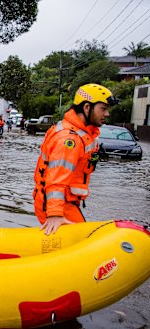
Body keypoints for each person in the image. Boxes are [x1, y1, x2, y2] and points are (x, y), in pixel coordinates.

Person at [33, 83, 119, 235]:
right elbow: (56, 178)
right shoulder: (69, 140)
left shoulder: (82, 133)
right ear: (87, 107)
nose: (107, 114)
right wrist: (55, 214)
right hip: (57, 205)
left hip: (65, 203)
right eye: (103, 109)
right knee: (82, 241)